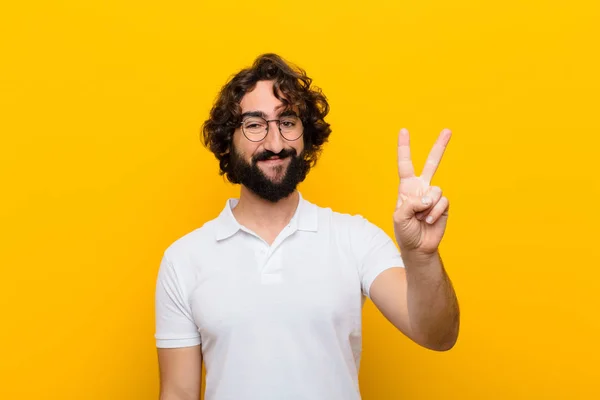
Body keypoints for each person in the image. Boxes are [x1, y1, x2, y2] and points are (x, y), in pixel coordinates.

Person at [154, 53, 460, 400]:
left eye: (287, 122)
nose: (275, 143)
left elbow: (438, 335)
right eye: (255, 125)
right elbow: (178, 393)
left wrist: (421, 256)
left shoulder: (354, 239)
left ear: (306, 134)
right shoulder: (184, 259)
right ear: (229, 140)